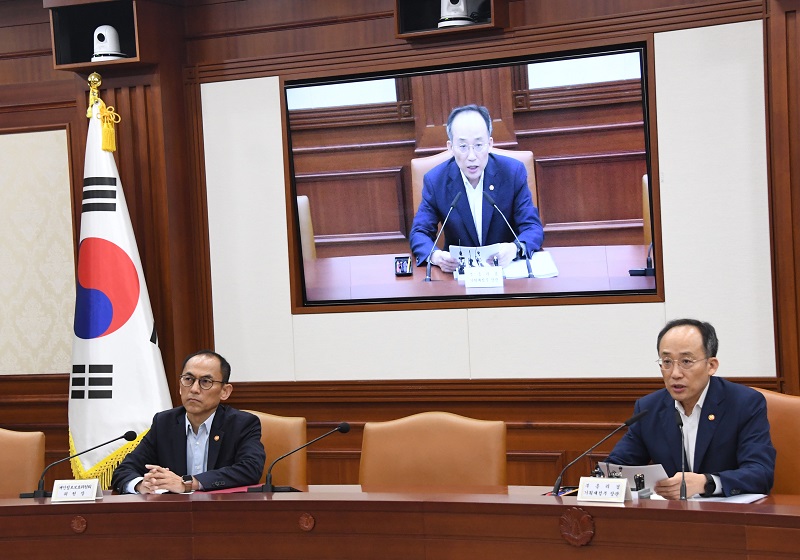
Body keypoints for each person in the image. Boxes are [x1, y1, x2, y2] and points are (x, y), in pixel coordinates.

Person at [606, 319, 775, 499]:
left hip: (727, 518)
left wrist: (706, 482)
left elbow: (760, 473)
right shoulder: (649, 408)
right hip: (671, 517)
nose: (675, 373)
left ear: (711, 366)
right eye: (667, 362)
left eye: (686, 361)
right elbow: (617, 467)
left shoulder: (744, 403)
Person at [409, 104, 544, 272]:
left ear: (490, 144)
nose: (472, 157)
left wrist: (515, 248)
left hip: (506, 274)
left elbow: (532, 228)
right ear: (450, 147)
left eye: (479, 145)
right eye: (463, 146)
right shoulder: (435, 180)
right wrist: (436, 256)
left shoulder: (512, 173)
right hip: (458, 277)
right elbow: (419, 233)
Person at [111, 350, 266, 494]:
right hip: (173, 515)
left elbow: (250, 469)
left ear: (225, 391)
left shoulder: (242, 424)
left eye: (205, 381)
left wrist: (189, 483)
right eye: (188, 379)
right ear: (180, 386)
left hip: (222, 513)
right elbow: (125, 469)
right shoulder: (164, 423)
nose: (194, 389)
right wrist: (141, 485)